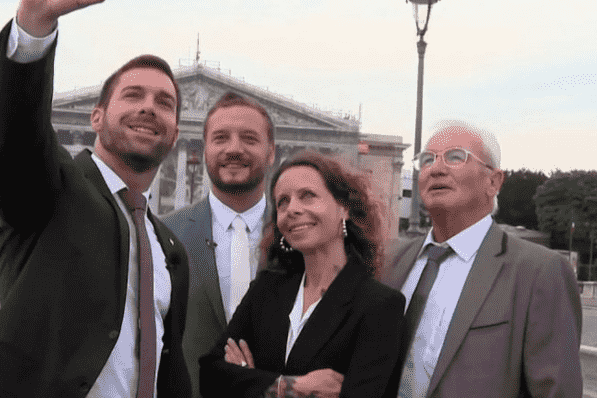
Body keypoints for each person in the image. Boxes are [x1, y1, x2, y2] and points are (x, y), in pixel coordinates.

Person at [0, 0, 191, 397]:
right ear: (96, 117)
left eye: (164, 102)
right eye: (133, 95)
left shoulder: (169, 247)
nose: (150, 108)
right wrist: (35, 25)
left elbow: (165, 364)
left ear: (176, 130)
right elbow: (21, 138)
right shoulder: (54, 191)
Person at [383, 120, 583, 398]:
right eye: (427, 160)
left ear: (493, 181)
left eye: (455, 157)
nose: (436, 169)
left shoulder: (539, 271)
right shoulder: (390, 260)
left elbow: (556, 390)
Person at [199, 150, 405, 398]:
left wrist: (247, 379)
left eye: (307, 196)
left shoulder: (379, 305)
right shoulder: (267, 288)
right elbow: (210, 375)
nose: (292, 209)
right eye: (282, 202)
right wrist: (287, 387)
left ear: (344, 209)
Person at [163, 92, 276, 398]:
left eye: (249, 139)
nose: (234, 149)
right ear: (204, 150)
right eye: (221, 138)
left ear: (271, 153)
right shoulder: (164, 233)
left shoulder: (299, 235)